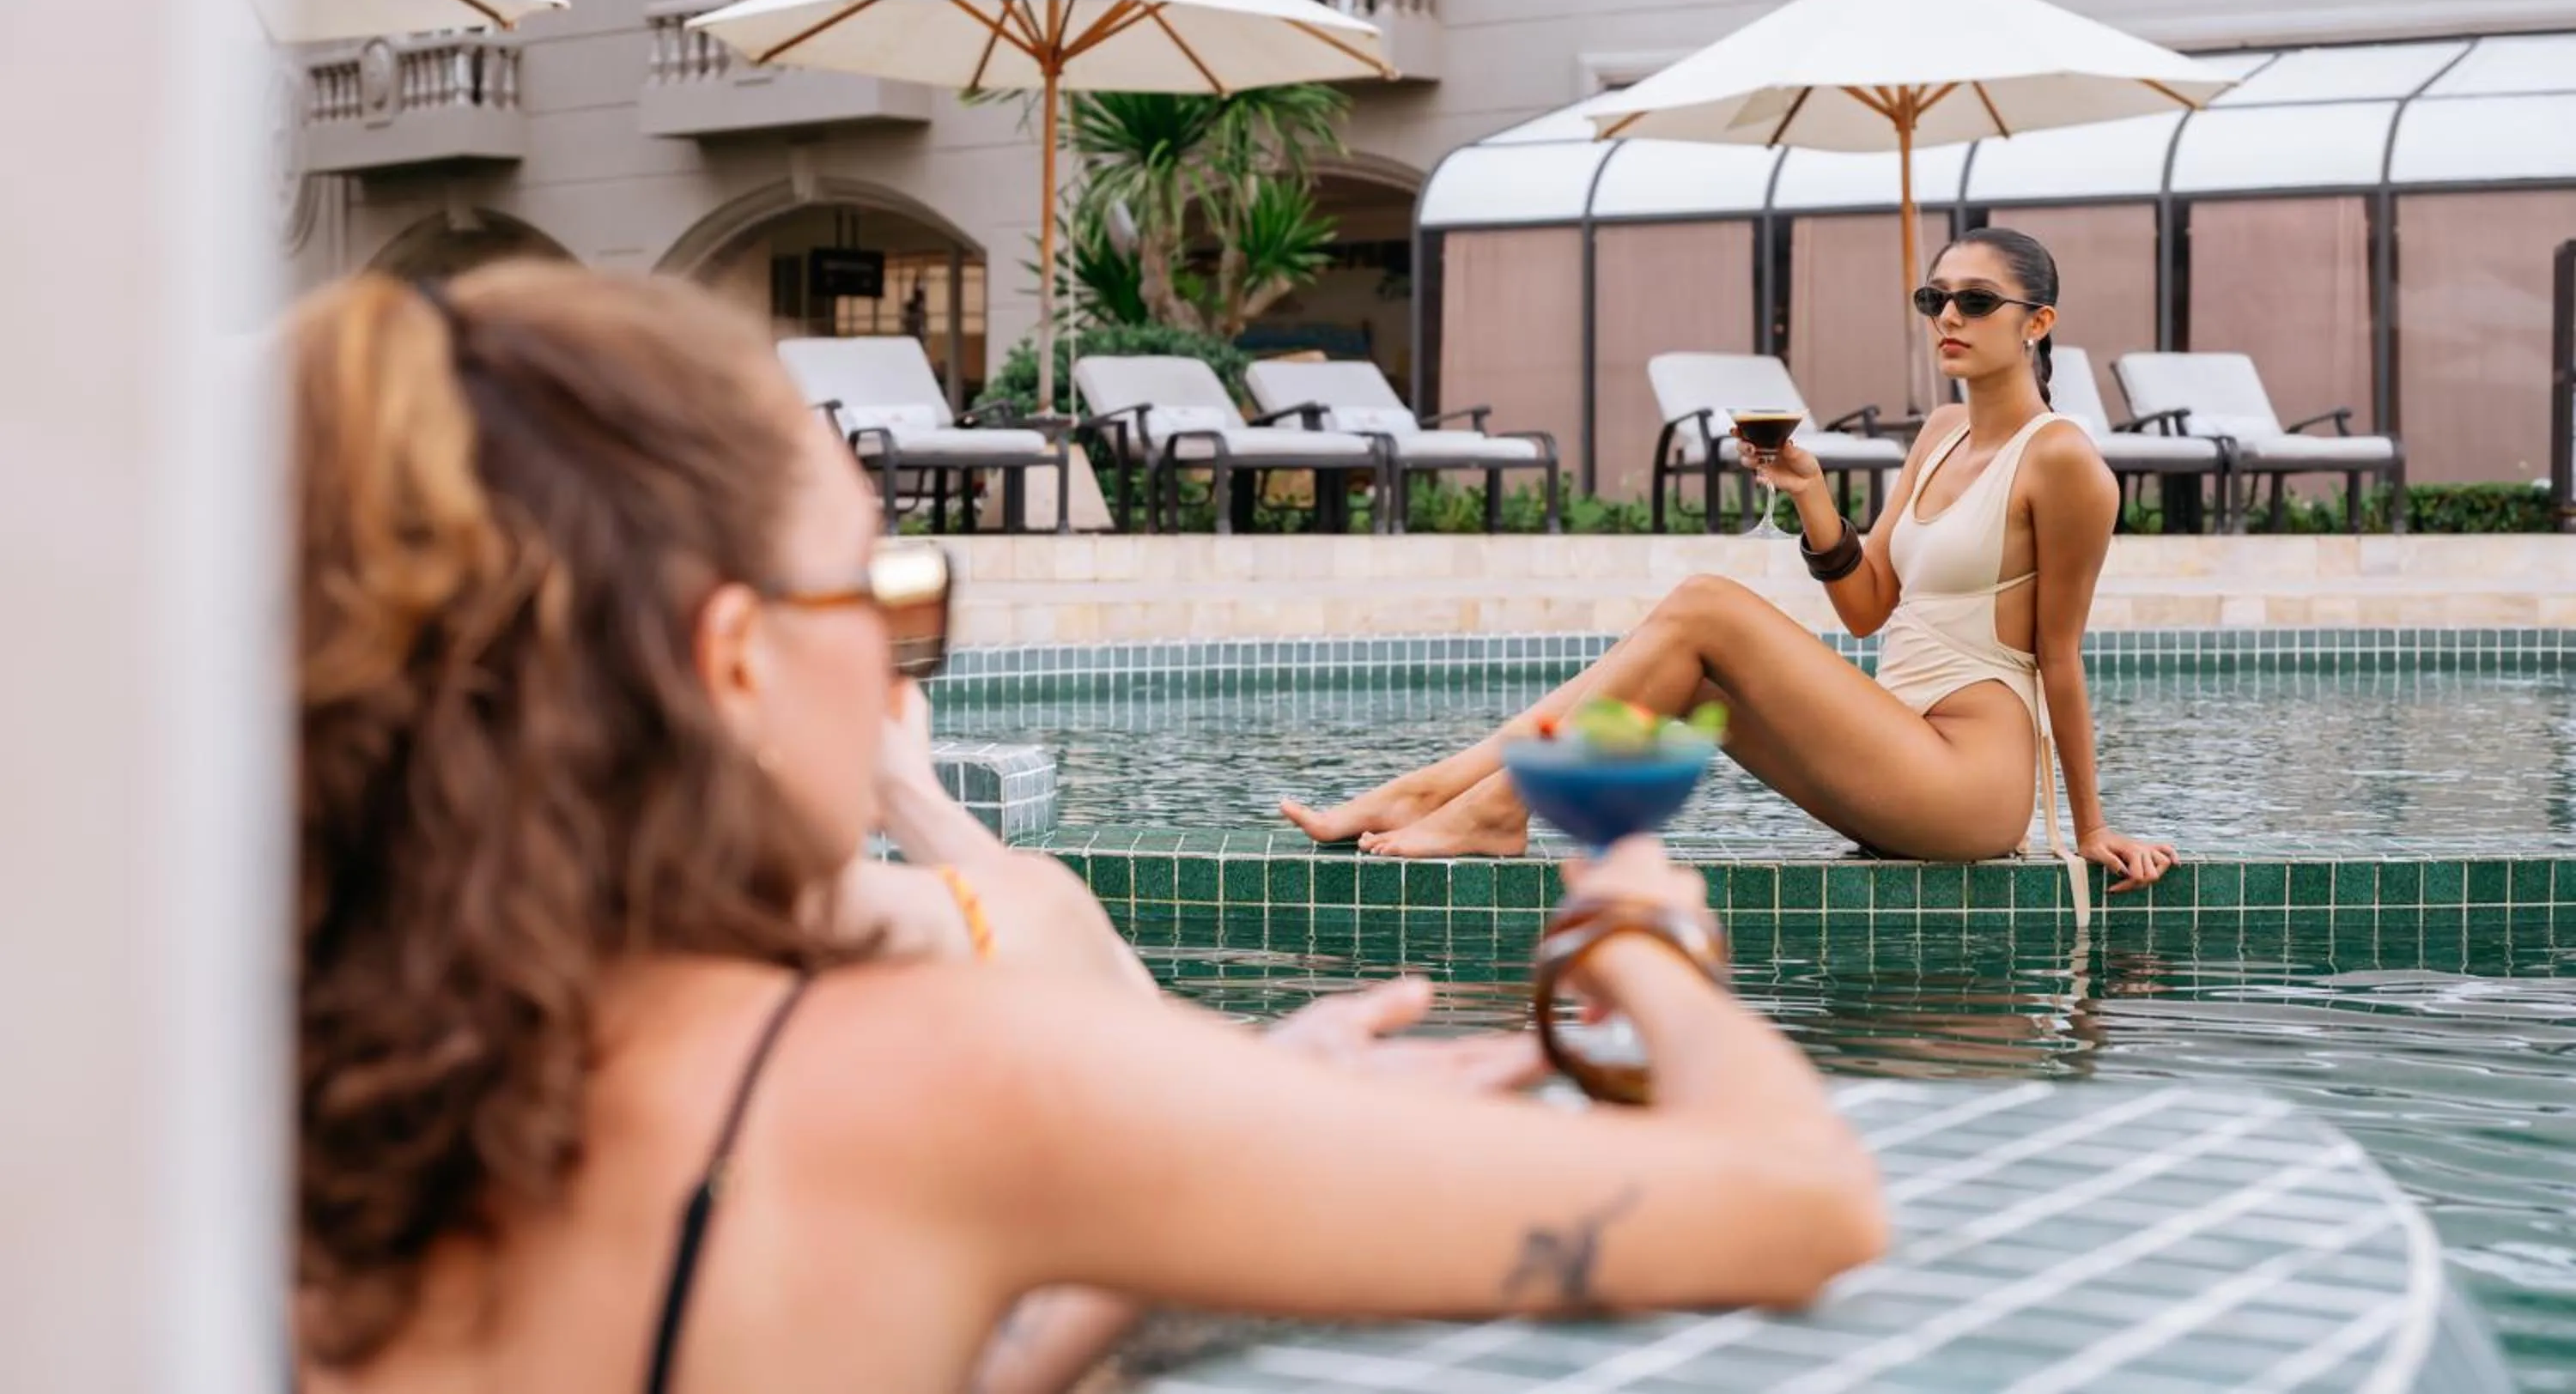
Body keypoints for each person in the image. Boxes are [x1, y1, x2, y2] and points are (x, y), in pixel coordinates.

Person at [293, 265, 1884, 1394]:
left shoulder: (264, 1072)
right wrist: (1632, 924)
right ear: (732, 662)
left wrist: (1148, 1209)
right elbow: (1796, 1200)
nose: (914, 649)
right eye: (892, 591)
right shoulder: (921, 1080)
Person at [1286, 227, 2178, 894]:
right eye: (1933, 299)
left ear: (2039, 322)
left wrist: (2090, 829)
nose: (1948, 316)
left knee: (1706, 604)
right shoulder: (1942, 433)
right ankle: (1449, 790)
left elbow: (2059, 656)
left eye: (1976, 301)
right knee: (1690, 671)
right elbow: (1869, 609)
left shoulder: (2064, 461)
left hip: (1968, 787)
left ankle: (1488, 804)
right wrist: (1811, 493)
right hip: (1895, 744)